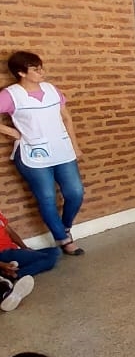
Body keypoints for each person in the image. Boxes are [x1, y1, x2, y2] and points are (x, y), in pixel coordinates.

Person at [0, 51, 85, 255]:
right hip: (32, 153)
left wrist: (75, 145)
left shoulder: (51, 90)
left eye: (41, 68)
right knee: (46, 197)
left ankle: (64, 226)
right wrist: (11, 131)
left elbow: (66, 118)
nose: (41, 72)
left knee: (75, 193)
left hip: (62, 149)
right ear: (21, 72)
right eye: (35, 69)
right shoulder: (10, 95)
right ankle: (64, 240)